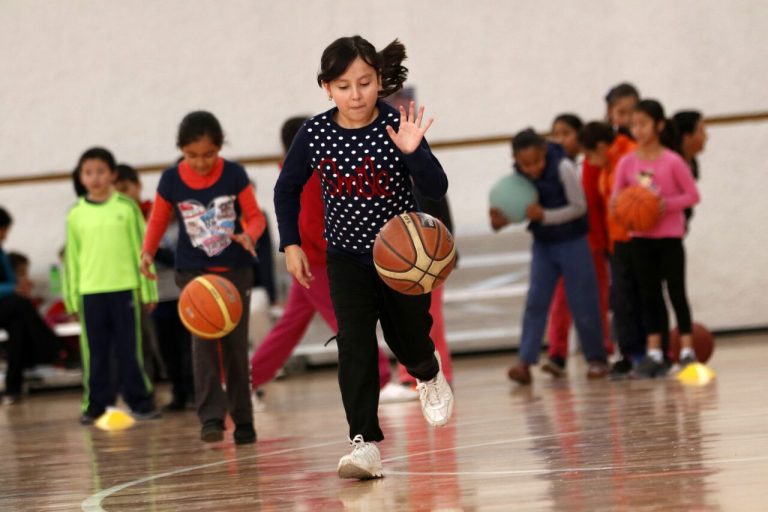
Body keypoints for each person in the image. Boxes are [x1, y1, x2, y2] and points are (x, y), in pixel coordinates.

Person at [273, 35, 454, 480]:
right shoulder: (314, 133)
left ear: (378, 82)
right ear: (326, 87)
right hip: (346, 259)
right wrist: (291, 243)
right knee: (353, 343)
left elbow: (436, 188)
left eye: (365, 82)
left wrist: (415, 155)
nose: (356, 95)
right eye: (344, 86)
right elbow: (286, 188)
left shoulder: (396, 125)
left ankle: (427, 373)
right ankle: (364, 443)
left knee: (406, 337)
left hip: (401, 259)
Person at [141, 111, 267, 444]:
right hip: (194, 274)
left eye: (208, 154)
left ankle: (244, 421)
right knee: (203, 347)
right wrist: (147, 253)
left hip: (234, 272)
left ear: (220, 148)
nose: (200, 162)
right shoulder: (171, 180)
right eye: (192, 155)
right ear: (181, 150)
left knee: (235, 349)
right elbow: (157, 221)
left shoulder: (235, 174)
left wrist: (250, 236)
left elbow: (255, 217)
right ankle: (211, 419)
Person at [250, 117, 393, 408]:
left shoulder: (298, 171)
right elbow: (312, 222)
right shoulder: (309, 173)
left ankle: (245, 384)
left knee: (289, 328)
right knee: (351, 322)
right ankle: (383, 380)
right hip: (320, 263)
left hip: (311, 259)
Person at [492, 129, 609, 385]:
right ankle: (525, 362)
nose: (532, 168)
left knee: (584, 303)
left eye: (536, 161)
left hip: (573, 242)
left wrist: (545, 215)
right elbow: (521, 209)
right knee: (535, 301)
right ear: (516, 160)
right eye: (525, 164)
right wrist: (501, 220)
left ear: (544, 152)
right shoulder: (518, 178)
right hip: (544, 245)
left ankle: (597, 359)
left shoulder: (564, 166)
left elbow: (579, 207)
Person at [64, 148, 160, 423]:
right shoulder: (76, 214)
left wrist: (149, 289)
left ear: (112, 175)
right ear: (81, 177)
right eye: (88, 172)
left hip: (125, 289)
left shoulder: (127, 208)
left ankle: (141, 402)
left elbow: (143, 251)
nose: (95, 177)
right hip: (90, 293)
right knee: (95, 352)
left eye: (100, 171)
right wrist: (71, 299)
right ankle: (95, 405)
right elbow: (72, 259)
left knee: (130, 350)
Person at [612, 99, 700, 378]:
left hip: (670, 237)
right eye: (633, 124)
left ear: (659, 126)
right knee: (649, 295)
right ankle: (655, 353)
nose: (637, 129)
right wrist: (623, 206)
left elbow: (693, 196)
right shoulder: (627, 162)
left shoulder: (672, 161)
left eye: (643, 124)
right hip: (640, 237)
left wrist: (664, 205)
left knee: (676, 293)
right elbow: (616, 197)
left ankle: (687, 351)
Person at [117, 163, 194, 411]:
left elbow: (179, 257)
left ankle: (192, 392)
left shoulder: (174, 225)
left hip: (182, 293)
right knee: (165, 350)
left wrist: (150, 249)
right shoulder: (137, 223)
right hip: (156, 296)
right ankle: (177, 393)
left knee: (187, 348)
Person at [541, 113, 613, 377]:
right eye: (555, 133)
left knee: (596, 300)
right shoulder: (550, 168)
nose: (560, 139)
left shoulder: (590, 166)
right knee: (561, 301)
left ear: (579, 136)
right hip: (563, 244)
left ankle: (600, 352)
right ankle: (557, 354)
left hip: (592, 242)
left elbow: (601, 206)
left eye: (566, 133)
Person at [578, 121, 645, 378]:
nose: (588, 161)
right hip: (616, 241)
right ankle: (629, 353)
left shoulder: (629, 156)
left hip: (636, 238)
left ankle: (648, 352)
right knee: (621, 298)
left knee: (638, 297)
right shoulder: (608, 165)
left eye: (589, 154)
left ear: (602, 146)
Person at [0, 209, 61, 404]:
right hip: (8, 304)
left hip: (7, 307)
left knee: (19, 326)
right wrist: (14, 289)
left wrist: (21, 285)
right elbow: (10, 286)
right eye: (3, 230)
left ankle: (13, 388)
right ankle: (52, 348)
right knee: (20, 305)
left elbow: (10, 280)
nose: (5, 235)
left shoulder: (0, 252)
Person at [672, 110, 707, 229]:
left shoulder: (691, 163)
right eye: (701, 131)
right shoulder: (669, 164)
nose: (706, 137)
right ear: (687, 137)